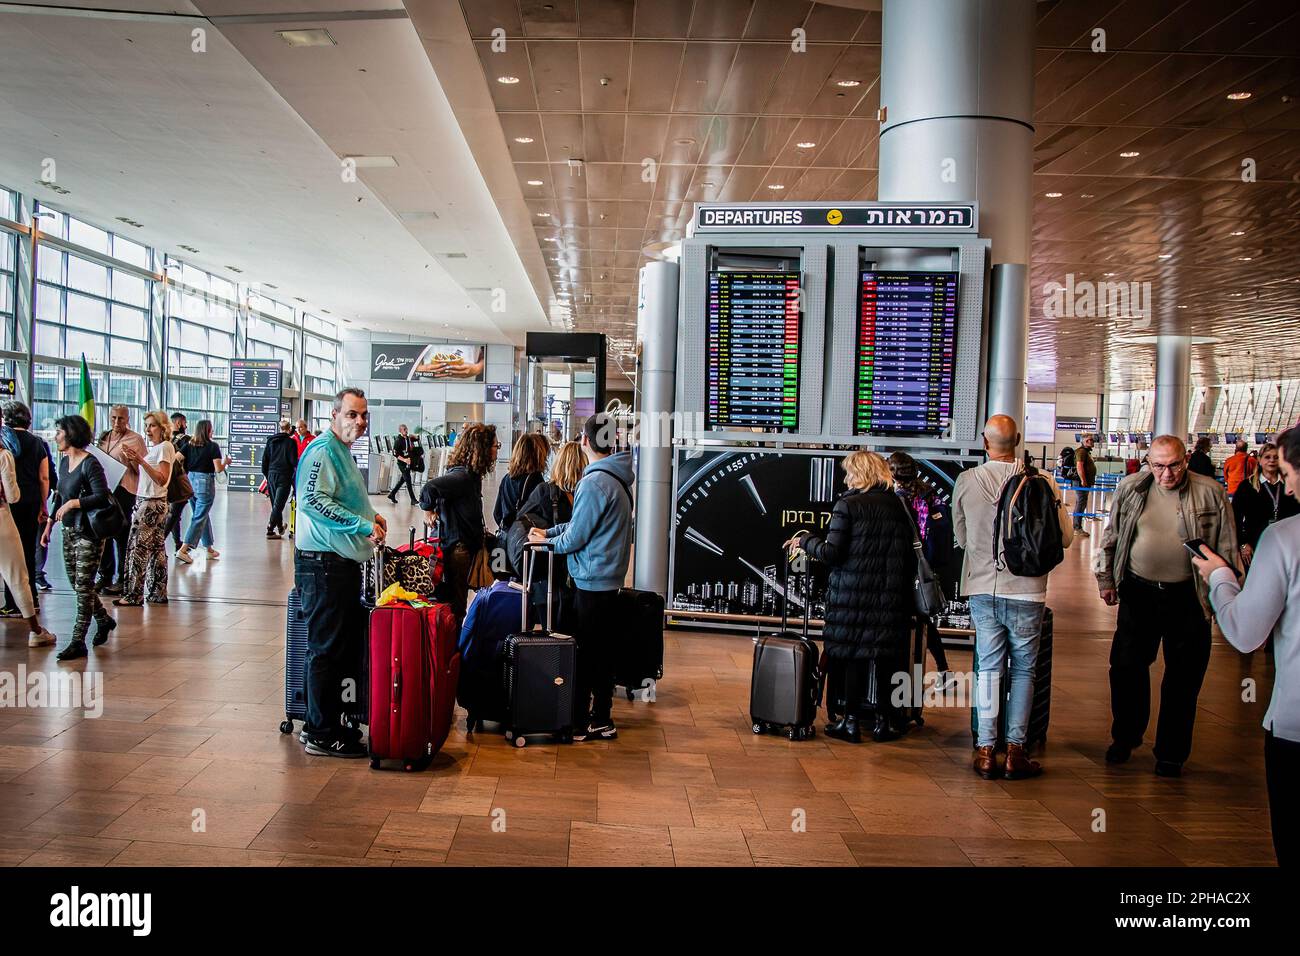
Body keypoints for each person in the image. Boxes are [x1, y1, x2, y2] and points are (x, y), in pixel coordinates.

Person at [1095, 434, 1239, 778]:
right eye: (1158, 466)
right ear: (1148, 462)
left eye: (1173, 465)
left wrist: (1228, 596)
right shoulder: (1131, 488)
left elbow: (1227, 546)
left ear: (1185, 460)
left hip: (1189, 597)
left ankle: (1171, 753)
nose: (1166, 474)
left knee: (1183, 678)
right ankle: (1126, 736)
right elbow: (1112, 535)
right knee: (1126, 667)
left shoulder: (1211, 493)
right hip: (1139, 591)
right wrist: (1106, 580)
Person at [1191, 426, 1300, 866]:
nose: (1288, 484)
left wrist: (1220, 578)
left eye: (1291, 472)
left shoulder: (1287, 538)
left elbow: (1246, 632)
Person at [954, 415, 1074, 780]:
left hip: (983, 589)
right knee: (1024, 670)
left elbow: (960, 538)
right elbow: (1065, 538)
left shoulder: (967, 481)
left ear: (983, 442)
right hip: (1028, 590)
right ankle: (1016, 752)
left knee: (988, 670)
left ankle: (987, 750)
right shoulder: (1044, 482)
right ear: (1019, 440)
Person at [786, 451, 916, 744]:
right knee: (884, 658)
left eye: (849, 471)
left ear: (858, 473)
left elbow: (833, 553)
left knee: (853, 656)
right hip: (889, 596)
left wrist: (806, 540)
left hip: (853, 595)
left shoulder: (848, 505)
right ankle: (884, 723)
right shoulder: (898, 505)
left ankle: (851, 721)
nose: (846, 477)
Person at [528, 413, 635, 743]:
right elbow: (582, 528)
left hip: (591, 581)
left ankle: (596, 719)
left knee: (590, 654)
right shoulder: (617, 478)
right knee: (600, 651)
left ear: (585, 440)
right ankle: (599, 717)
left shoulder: (593, 482)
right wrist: (551, 532)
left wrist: (547, 543)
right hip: (608, 579)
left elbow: (577, 538)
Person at [295, 387, 386, 758]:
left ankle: (319, 722)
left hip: (337, 564)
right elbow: (313, 500)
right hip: (323, 566)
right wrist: (361, 526)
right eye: (352, 414)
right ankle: (321, 732)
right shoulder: (322, 450)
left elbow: (340, 497)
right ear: (334, 415)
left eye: (363, 415)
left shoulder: (341, 451)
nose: (360, 422)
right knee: (326, 649)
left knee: (331, 648)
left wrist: (371, 516)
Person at [42, 415, 116, 661]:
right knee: (76, 584)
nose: (56, 436)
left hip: (89, 533)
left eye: (59, 432)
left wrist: (75, 503)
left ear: (71, 434)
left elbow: (101, 496)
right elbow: (60, 497)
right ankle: (103, 620)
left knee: (84, 587)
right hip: (68, 530)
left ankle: (77, 641)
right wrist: (49, 524)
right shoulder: (64, 463)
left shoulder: (90, 464)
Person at [889, 451, 957, 692]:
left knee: (897, 620)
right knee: (924, 617)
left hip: (900, 565)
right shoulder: (929, 493)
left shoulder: (893, 497)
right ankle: (942, 669)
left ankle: (901, 676)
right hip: (925, 565)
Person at [420, 423, 498, 626]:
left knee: (458, 603)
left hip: (461, 547)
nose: (496, 449)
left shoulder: (470, 476)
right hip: (457, 549)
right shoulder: (461, 477)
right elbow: (429, 488)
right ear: (481, 449)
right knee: (457, 605)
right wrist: (428, 510)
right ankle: (452, 650)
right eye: (494, 445)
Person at [0, 405, 57, 647]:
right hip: (6, 514)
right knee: (18, 571)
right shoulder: (5, 454)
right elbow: (13, 495)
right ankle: (35, 631)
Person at [514, 440, 584, 630]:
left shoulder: (548, 491)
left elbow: (522, 521)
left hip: (558, 576)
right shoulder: (553, 492)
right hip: (559, 576)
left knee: (558, 630)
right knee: (562, 631)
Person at [114, 410, 174, 607]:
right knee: (156, 549)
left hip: (150, 502)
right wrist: (135, 459)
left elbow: (162, 478)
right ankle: (157, 590)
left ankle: (133, 594)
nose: (148, 430)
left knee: (137, 548)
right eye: (146, 425)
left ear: (162, 427)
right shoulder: (157, 448)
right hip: (153, 501)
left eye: (152, 425)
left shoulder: (164, 447)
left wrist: (140, 460)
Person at [95, 405, 146, 594]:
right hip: (105, 490)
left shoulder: (135, 439)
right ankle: (105, 575)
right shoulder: (104, 437)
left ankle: (124, 578)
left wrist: (131, 459)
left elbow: (142, 469)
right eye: (114, 418)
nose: (117, 422)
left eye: (121, 419)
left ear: (128, 419)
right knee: (103, 533)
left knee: (121, 534)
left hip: (124, 491)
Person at [1234, 441, 1300, 569]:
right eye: (1267, 457)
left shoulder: (1290, 485)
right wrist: (1242, 544)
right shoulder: (1246, 486)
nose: (1272, 461)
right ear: (1259, 459)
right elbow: (1235, 517)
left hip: (1285, 545)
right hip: (1255, 545)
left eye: (1276, 457)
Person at [177, 418, 231, 561]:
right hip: (204, 483)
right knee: (199, 516)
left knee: (201, 514)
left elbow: (176, 459)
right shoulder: (213, 446)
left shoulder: (189, 445)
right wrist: (226, 462)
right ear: (207, 430)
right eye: (211, 429)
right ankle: (184, 549)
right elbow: (218, 469)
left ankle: (208, 548)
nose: (213, 431)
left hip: (190, 480)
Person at [494, 432, 548, 535]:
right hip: (524, 537)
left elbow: (497, 513)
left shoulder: (508, 477)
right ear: (538, 454)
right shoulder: (535, 479)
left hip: (506, 534)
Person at [260, 420, 298, 540]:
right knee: (278, 504)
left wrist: (267, 475)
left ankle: (280, 527)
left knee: (276, 504)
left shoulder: (270, 442)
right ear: (289, 430)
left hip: (271, 475)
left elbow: (264, 461)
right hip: (284, 476)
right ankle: (270, 529)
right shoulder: (291, 442)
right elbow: (293, 461)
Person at [164, 412, 190, 551]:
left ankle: (177, 542)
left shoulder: (165, 439)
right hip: (179, 480)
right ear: (179, 423)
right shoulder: (186, 440)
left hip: (165, 479)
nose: (186, 426)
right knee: (174, 513)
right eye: (185, 423)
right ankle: (160, 541)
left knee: (174, 512)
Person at [388, 423, 420, 505]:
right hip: (402, 463)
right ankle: (413, 499)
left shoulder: (408, 438)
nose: (406, 431)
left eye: (406, 429)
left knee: (403, 480)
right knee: (408, 480)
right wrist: (404, 460)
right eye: (404, 429)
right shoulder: (398, 440)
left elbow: (415, 441)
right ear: (400, 431)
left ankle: (392, 494)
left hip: (408, 462)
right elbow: (395, 454)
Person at [1073, 433, 1098, 537]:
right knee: (1081, 503)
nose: (1092, 442)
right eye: (1090, 440)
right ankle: (1077, 528)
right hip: (1081, 482)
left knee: (1081, 503)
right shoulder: (1082, 452)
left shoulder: (1086, 452)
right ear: (1085, 441)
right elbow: (1080, 466)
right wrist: (1083, 480)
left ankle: (1078, 526)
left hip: (1084, 482)